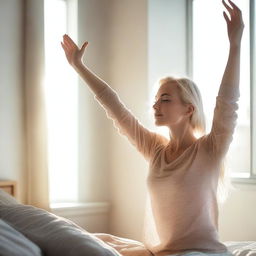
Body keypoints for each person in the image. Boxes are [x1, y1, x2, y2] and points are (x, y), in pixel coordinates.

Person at [61, 0, 244, 255]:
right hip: (159, 252)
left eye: (166, 99)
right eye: (156, 99)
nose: (156, 105)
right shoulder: (155, 149)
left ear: (188, 109)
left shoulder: (210, 149)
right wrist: (79, 66)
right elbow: (114, 107)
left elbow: (228, 103)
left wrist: (235, 46)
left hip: (201, 252)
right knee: (84, 240)